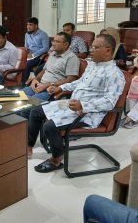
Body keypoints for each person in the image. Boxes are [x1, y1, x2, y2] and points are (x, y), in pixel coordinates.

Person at [27, 34, 126, 169]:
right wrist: (60, 87)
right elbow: (79, 83)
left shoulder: (114, 74)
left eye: (95, 47)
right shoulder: (92, 65)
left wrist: (83, 105)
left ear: (108, 50)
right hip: (72, 105)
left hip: (87, 113)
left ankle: (57, 158)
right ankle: (29, 146)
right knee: (36, 111)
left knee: (49, 126)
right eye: (92, 46)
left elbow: (109, 102)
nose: (91, 50)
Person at [23, 31, 80, 102]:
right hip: (39, 85)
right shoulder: (52, 54)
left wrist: (48, 85)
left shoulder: (72, 58)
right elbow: (44, 70)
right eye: (53, 40)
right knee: (18, 96)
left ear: (66, 44)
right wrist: (36, 79)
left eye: (57, 41)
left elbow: (70, 80)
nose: (53, 43)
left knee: (29, 103)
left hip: (51, 90)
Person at [22, 17, 49, 84]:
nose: (28, 27)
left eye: (30, 25)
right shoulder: (27, 34)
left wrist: (33, 54)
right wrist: (26, 52)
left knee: (27, 64)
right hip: (29, 54)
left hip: (39, 55)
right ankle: (17, 81)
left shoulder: (43, 34)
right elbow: (26, 46)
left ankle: (23, 83)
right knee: (19, 61)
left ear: (36, 26)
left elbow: (46, 48)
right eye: (27, 25)